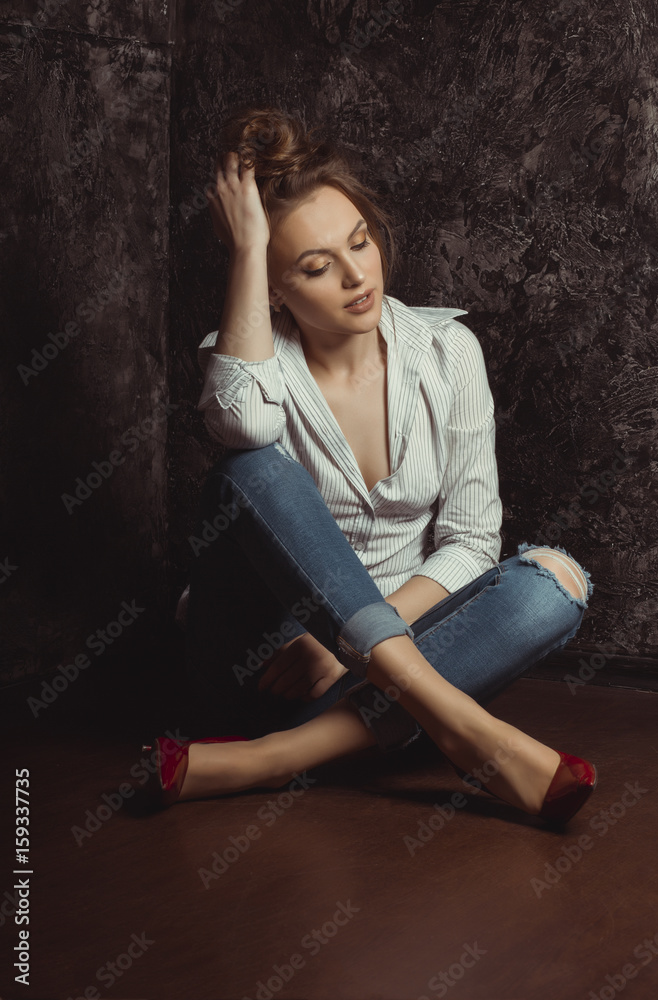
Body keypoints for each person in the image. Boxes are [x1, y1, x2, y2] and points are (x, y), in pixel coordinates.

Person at [146, 105, 597, 823]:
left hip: (358, 671)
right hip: (267, 663)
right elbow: (240, 424)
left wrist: (355, 646)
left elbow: (471, 544)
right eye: (316, 266)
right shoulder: (253, 367)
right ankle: (459, 725)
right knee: (248, 469)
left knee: (555, 584)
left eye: (360, 242)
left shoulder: (446, 355)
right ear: (271, 289)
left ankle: (270, 758)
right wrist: (245, 249)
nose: (358, 274)